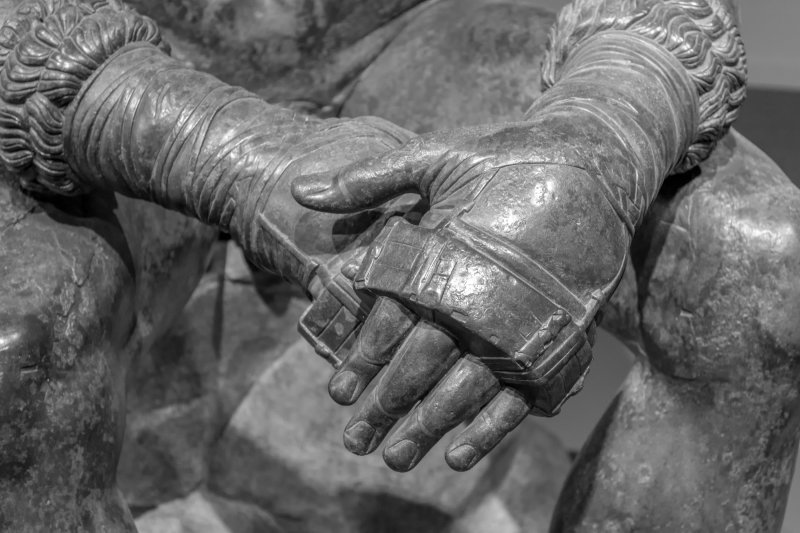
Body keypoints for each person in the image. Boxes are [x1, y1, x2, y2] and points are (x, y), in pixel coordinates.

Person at [0, 0, 796, 532]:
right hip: (86, 44)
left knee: (759, 261)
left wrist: (610, 125)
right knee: (18, 343)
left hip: (415, 31)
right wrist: (225, 150)